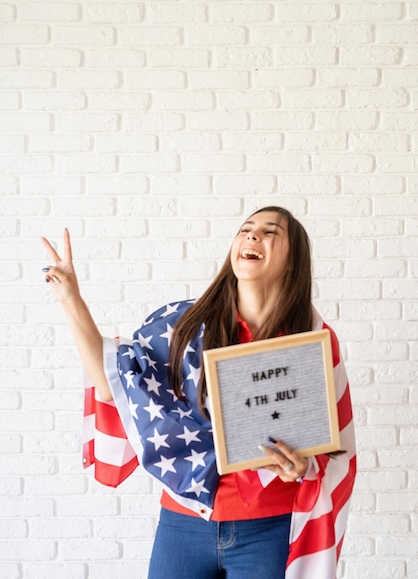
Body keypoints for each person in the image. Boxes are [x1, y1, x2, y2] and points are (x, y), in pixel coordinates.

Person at [41, 205, 356, 579]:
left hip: (270, 528)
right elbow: (113, 381)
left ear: (293, 261)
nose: (252, 236)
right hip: (183, 525)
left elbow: (331, 450)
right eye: (246, 229)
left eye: (270, 232)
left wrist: (301, 467)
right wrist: (70, 298)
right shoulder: (183, 325)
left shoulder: (312, 340)